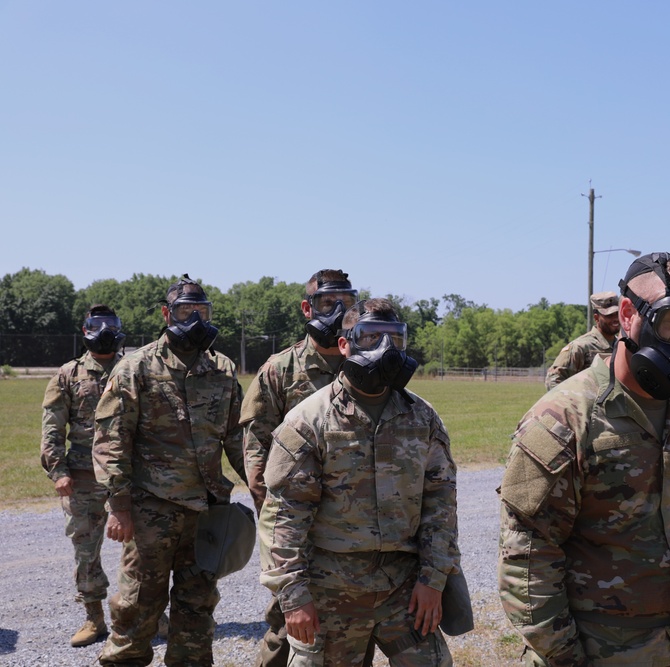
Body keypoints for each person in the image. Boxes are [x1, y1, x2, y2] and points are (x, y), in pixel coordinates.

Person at [498, 253, 670, 667]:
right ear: (628, 314)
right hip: (598, 649)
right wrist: (565, 657)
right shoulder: (563, 419)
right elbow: (528, 558)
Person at [259, 298, 459, 666]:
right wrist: (294, 597)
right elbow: (285, 518)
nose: (384, 349)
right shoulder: (308, 420)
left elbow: (440, 504)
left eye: (394, 338)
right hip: (330, 590)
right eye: (370, 337)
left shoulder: (422, 416)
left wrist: (433, 580)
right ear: (344, 344)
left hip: (404, 588)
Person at [92, 274, 247, 666]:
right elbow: (113, 439)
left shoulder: (223, 369)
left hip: (206, 513)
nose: (194, 318)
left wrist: (262, 490)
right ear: (166, 313)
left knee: (197, 609)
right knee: (137, 606)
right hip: (150, 513)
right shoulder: (136, 367)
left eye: (202, 310)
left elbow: (238, 439)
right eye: (184, 310)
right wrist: (120, 507)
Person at [241, 268, 358, 667]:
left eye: (347, 303)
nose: (340, 311)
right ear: (308, 308)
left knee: (352, 622)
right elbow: (256, 446)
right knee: (288, 619)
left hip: (351, 526)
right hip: (297, 521)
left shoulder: (362, 360)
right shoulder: (280, 369)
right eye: (329, 304)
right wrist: (269, 511)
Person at [41, 304, 125, 647]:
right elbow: (51, 426)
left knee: (144, 549)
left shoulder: (132, 368)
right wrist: (57, 471)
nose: (104, 330)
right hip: (82, 477)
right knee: (86, 550)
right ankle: (94, 619)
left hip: (127, 476)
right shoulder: (68, 374)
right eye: (97, 324)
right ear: (85, 329)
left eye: (110, 324)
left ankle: (144, 613)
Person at [544, 291, 620, 389]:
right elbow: (553, 380)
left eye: (617, 313)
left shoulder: (622, 346)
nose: (615, 319)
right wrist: (575, 402)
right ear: (596, 318)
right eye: (609, 315)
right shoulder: (580, 347)